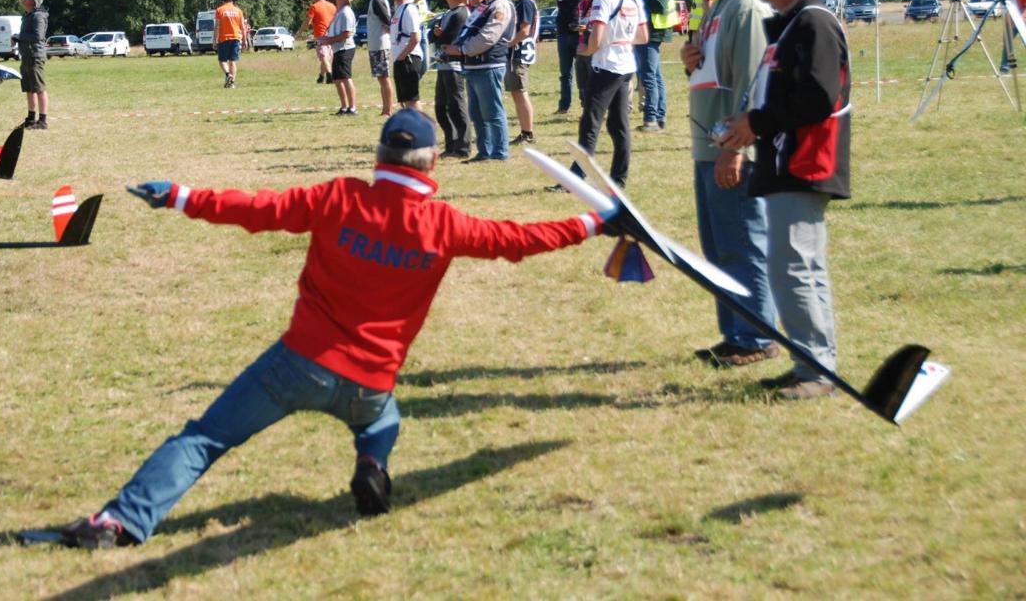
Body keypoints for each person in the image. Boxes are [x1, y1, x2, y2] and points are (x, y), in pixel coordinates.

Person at [56, 108, 614, 548]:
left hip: (296, 364)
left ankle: (119, 522)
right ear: (431, 163)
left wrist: (181, 197)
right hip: (371, 383)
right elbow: (521, 241)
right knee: (382, 422)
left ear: (380, 155)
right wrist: (594, 222)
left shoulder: (338, 198)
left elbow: (257, 209)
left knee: (204, 439)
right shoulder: (445, 224)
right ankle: (372, 465)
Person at [720, 0, 852, 400]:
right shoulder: (793, 23)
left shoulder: (814, 23)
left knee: (794, 267)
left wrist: (756, 122)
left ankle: (816, 372)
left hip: (805, 160)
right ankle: (811, 363)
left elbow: (818, 96)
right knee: (797, 266)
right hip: (786, 160)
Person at [678, 0, 779, 368]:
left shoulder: (745, 7)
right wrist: (690, 60)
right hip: (710, 145)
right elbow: (716, 73)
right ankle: (737, 333)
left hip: (729, 148)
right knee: (719, 246)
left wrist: (735, 149)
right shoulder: (719, 7)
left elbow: (755, 84)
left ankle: (756, 338)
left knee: (742, 241)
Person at [568, 0, 647, 188]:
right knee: (619, 125)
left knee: (590, 123)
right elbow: (642, 36)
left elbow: (597, 36)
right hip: (626, 66)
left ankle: (576, 178)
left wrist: (587, 50)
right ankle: (619, 179)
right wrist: (621, 38)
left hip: (606, 66)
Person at [445, 0, 515, 162]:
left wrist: (462, 50)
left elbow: (488, 36)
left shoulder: (501, 6)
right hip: (474, 66)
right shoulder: (484, 5)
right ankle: (484, 151)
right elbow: (469, 29)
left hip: (489, 65)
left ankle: (499, 153)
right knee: (477, 113)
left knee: (492, 112)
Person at [632, 0, 676, 133]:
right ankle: (659, 116)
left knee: (648, 77)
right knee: (655, 76)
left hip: (653, 32)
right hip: (653, 32)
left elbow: (660, 5)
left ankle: (651, 119)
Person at [430, 0, 472, 158]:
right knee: (441, 107)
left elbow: (449, 38)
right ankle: (451, 143)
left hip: (455, 66)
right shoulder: (448, 13)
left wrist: (438, 35)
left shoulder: (462, 13)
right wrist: (435, 33)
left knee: (456, 105)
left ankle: (462, 146)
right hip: (443, 65)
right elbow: (434, 37)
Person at [507, 0, 540, 145]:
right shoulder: (520, 2)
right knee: (516, 92)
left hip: (518, 53)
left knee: (520, 92)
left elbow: (525, 30)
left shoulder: (525, 2)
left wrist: (508, 44)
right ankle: (525, 131)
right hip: (516, 52)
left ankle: (527, 132)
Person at [319, 0, 358, 115]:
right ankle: (344, 107)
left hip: (345, 48)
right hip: (338, 49)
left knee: (346, 78)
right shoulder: (340, 12)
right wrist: (326, 38)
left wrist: (329, 41)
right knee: (337, 79)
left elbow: (347, 33)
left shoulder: (346, 12)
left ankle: (352, 108)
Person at [555, 0, 587, 115]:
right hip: (562, 33)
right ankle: (564, 106)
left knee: (582, 70)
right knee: (565, 73)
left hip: (576, 34)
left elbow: (578, 9)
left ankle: (585, 104)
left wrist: (576, 25)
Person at [388, 0, 424, 110]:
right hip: (401, 58)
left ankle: (419, 126)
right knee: (405, 99)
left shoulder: (409, 9)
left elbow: (416, 36)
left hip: (409, 58)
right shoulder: (399, 9)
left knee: (411, 98)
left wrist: (403, 55)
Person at [17, 0, 50, 130]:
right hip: (27, 56)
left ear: (32, 1)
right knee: (29, 89)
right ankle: (31, 119)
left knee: (39, 88)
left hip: (35, 56)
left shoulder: (38, 16)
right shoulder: (28, 15)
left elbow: (38, 36)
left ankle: (42, 121)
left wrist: (18, 37)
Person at [363, 0, 395, 116]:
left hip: (381, 44)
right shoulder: (373, 0)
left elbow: (387, 19)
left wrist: (389, 29)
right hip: (376, 44)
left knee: (384, 77)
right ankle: (385, 109)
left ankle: (388, 110)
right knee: (380, 77)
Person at [297, 0, 337, 84]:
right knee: (326, 57)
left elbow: (307, 22)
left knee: (323, 57)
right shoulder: (332, 6)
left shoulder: (314, 7)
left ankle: (330, 76)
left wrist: (300, 32)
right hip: (332, 35)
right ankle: (321, 77)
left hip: (321, 35)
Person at [215, 0, 246, 89]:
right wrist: (245, 40)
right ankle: (232, 83)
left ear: (223, 1)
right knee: (233, 61)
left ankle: (228, 74)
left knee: (222, 60)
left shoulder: (219, 10)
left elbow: (217, 26)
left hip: (223, 38)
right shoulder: (238, 11)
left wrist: (214, 40)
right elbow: (243, 27)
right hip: (236, 38)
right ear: (232, 0)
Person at [1002, 0, 1025, 75]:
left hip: (1022, 20)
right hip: (1010, 20)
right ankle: (1005, 67)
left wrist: (1021, 19)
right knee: (1007, 43)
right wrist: (1007, 19)